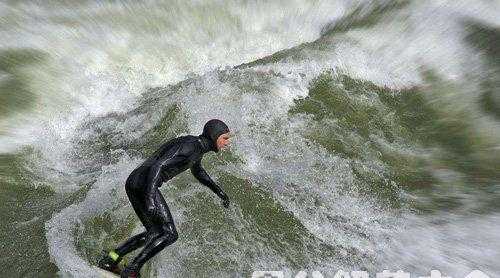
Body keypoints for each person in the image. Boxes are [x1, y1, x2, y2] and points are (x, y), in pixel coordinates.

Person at [97, 119, 232, 278]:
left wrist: (219, 192)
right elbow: (158, 165)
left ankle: (111, 258)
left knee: (155, 233)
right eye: (225, 138)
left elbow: (198, 172)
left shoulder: (196, 149)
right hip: (144, 184)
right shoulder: (191, 146)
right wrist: (149, 198)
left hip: (136, 181)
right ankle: (132, 269)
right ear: (214, 136)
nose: (227, 143)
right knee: (169, 233)